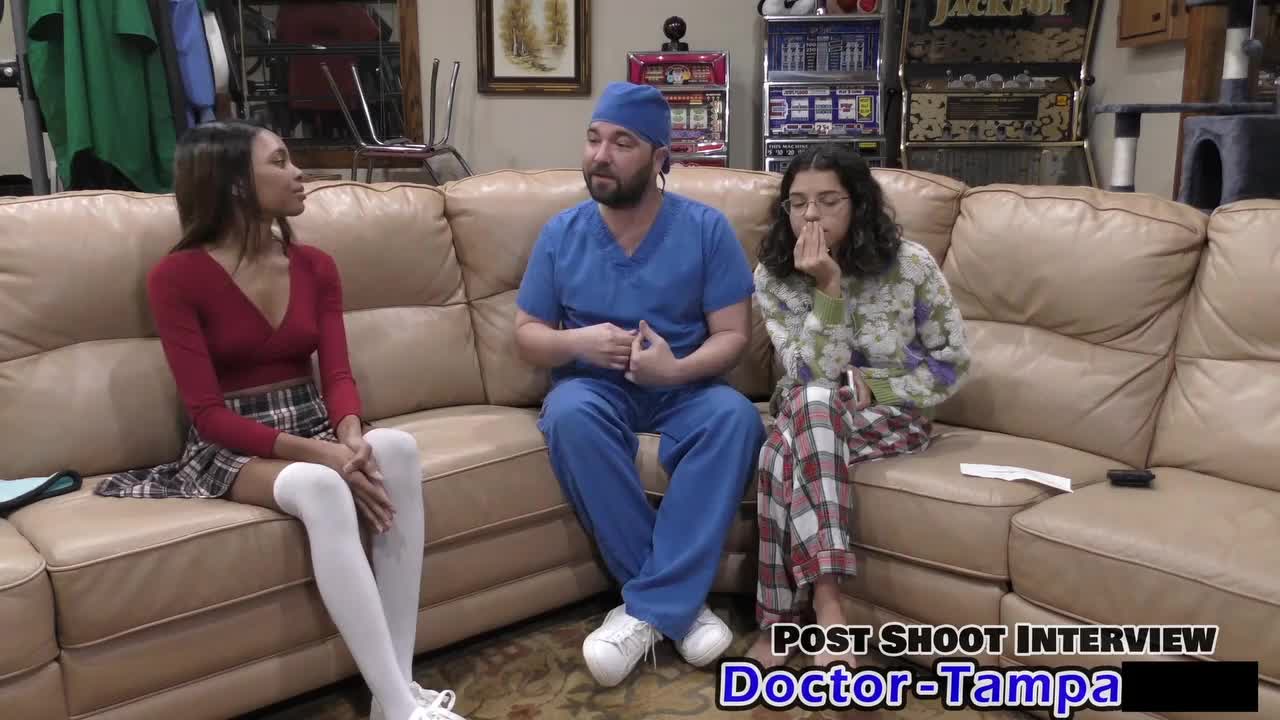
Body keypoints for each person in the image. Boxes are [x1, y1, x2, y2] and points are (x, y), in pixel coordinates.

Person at [95, 121, 465, 720]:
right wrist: (324, 455)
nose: (300, 174)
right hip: (234, 443)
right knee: (321, 486)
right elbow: (207, 415)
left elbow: (337, 375)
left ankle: (392, 694)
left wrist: (349, 434)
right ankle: (403, 707)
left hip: (311, 419)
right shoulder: (175, 278)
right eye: (280, 161)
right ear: (235, 183)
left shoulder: (315, 266)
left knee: (396, 449)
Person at [514, 82, 767, 687]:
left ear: (659, 159)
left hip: (685, 390)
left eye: (621, 143)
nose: (600, 156)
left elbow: (732, 335)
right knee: (569, 414)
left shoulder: (705, 230)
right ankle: (679, 608)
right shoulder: (561, 233)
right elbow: (527, 334)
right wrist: (579, 343)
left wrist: (674, 370)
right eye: (593, 139)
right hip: (593, 389)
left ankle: (646, 610)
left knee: (736, 418)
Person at [747, 144, 971, 668]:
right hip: (810, 404)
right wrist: (828, 286)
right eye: (797, 202)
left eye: (828, 201)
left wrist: (882, 387)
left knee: (779, 453)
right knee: (814, 401)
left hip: (891, 418)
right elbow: (810, 374)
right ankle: (830, 611)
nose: (810, 215)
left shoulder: (910, 265)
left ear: (858, 203)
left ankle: (782, 619)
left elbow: (951, 365)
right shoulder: (774, 275)